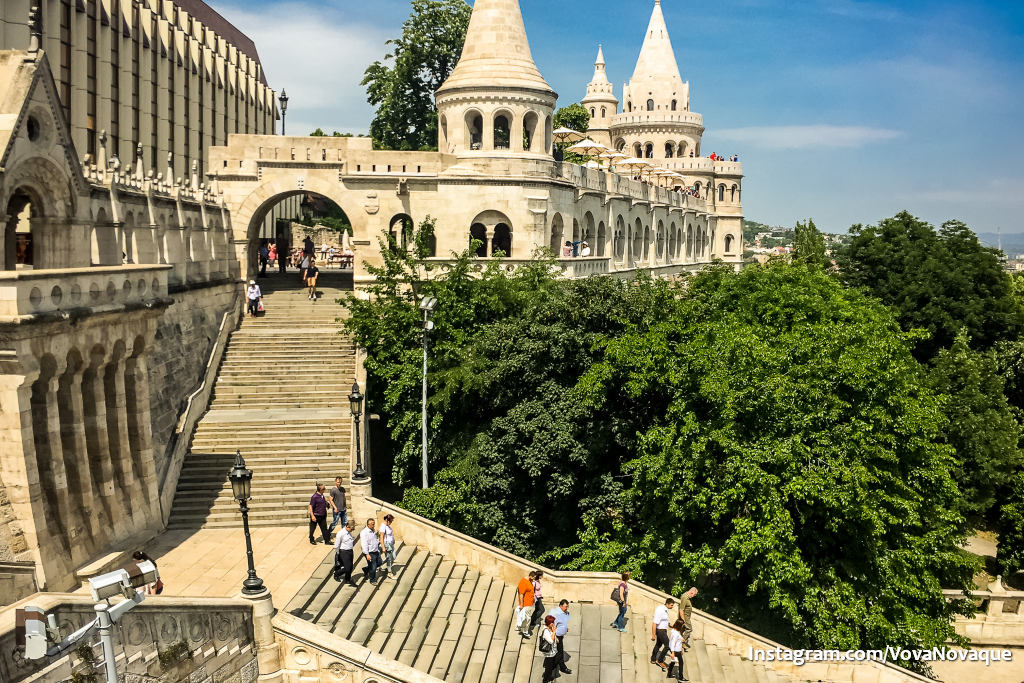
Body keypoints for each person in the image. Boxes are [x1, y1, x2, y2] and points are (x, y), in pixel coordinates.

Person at [547, 599, 572, 674]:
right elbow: (551, 626)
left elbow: (563, 622)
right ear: (561, 606)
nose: (567, 608)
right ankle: (562, 667)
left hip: (560, 635)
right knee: (559, 652)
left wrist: (565, 628)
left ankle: (552, 665)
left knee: (556, 651)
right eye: (566, 607)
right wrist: (555, 636)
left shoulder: (566, 613)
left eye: (568, 606)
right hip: (556, 636)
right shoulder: (556, 613)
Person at [651, 597, 675, 669]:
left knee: (658, 644)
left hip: (663, 630)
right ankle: (660, 660)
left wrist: (669, 625)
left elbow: (664, 619)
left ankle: (653, 659)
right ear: (667, 604)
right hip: (660, 631)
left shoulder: (665, 609)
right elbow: (654, 623)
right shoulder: (660, 610)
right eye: (671, 605)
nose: (672, 607)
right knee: (668, 645)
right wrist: (653, 634)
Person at [333, 520, 357, 586]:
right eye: (352, 529)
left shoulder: (349, 533)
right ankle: (337, 573)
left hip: (350, 551)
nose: (352, 530)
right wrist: (337, 553)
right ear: (347, 526)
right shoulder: (341, 533)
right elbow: (337, 544)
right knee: (347, 567)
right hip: (343, 552)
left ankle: (347, 579)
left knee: (351, 566)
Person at [360, 518, 382, 584]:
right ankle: (373, 580)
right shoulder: (364, 532)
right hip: (370, 552)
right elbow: (364, 544)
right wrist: (367, 554)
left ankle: (366, 569)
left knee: (379, 563)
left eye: (374, 524)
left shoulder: (373, 530)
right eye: (372, 524)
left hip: (375, 551)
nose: (374, 525)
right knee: (373, 567)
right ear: (368, 524)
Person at [516, 571, 536, 637]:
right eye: (533, 578)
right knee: (527, 619)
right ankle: (525, 631)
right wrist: (521, 604)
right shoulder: (524, 582)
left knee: (525, 618)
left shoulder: (530, 582)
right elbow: (521, 594)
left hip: (530, 603)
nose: (534, 579)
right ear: (530, 576)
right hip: (526, 604)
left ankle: (520, 628)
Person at [540, 615, 560, 682]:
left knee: (554, 662)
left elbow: (553, 636)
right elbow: (550, 641)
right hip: (549, 653)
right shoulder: (546, 631)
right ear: (549, 623)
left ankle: (547, 668)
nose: (554, 623)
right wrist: (554, 631)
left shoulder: (550, 627)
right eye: (553, 622)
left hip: (553, 650)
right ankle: (545, 679)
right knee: (549, 669)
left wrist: (556, 637)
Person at [379, 513, 397, 580]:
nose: (391, 522)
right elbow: (381, 536)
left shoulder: (388, 526)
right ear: (387, 520)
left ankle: (380, 565)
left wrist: (393, 540)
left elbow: (390, 534)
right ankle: (390, 573)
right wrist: (383, 547)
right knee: (389, 558)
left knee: (394, 556)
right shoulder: (383, 526)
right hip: (387, 544)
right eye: (391, 521)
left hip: (391, 544)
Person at [529, 570, 545, 637]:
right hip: (536, 598)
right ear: (539, 575)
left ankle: (532, 621)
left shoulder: (538, 581)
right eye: (542, 575)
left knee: (537, 610)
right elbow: (533, 590)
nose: (543, 576)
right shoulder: (534, 582)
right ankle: (532, 621)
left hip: (539, 597)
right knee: (542, 610)